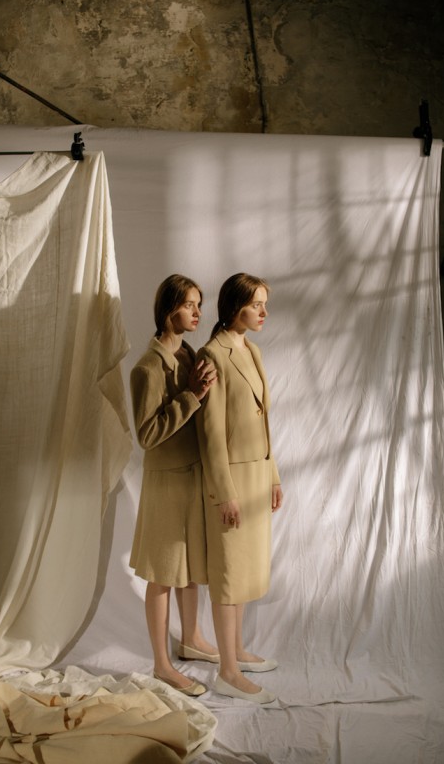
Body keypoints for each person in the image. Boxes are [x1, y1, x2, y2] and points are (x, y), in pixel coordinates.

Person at [195, 272, 283, 704]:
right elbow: (211, 434)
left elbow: (263, 420)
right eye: (256, 304)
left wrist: (273, 475)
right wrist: (223, 493)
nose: (264, 312)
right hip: (231, 481)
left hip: (257, 478)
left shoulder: (252, 349)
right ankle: (227, 672)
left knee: (245, 571)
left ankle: (237, 651)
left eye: (265, 303)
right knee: (229, 575)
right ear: (235, 307)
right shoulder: (213, 354)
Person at [129, 274, 218, 697]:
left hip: (193, 475)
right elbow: (147, 435)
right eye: (189, 305)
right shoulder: (147, 368)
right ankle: (162, 665)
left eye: (199, 304)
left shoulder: (189, 354)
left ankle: (192, 639)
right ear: (169, 311)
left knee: (190, 567)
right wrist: (192, 396)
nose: (198, 312)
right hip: (166, 483)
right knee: (163, 574)